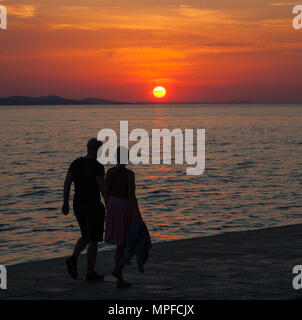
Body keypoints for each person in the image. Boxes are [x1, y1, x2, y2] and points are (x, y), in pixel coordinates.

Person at [61, 138, 107, 283]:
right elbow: (102, 187)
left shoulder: (76, 163)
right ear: (98, 150)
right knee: (93, 239)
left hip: (78, 204)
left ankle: (73, 258)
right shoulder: (97, 166)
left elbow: (67, 183)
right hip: (93, 205)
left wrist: (65, 203)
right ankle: (90, 272)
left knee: (86, 235)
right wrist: (109, 205)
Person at [105, 146, 142, 288]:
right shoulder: (129, 174)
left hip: (113, 205)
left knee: (120, 244)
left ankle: (119, 279)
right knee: (132, 241)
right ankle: (117, 270)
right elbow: (132, 196)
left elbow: (106, 191)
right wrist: (138, 214)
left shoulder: (110, 172)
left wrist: (108, 208)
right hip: (124, 206)